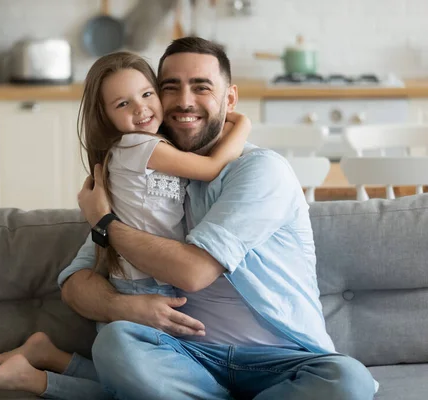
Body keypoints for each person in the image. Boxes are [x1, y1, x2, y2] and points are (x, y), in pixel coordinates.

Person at [58, 37, 378, 399]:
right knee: (115, 343)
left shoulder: (260, 170)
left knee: (349, 382)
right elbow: (74, 283)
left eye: (201, 87)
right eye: (170, 87)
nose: (184, 101)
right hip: (187, 357)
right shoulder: (144, 187)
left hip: (281, 362)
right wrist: (123, 305)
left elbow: (193, 272)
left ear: (229, 99)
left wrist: (105, 223)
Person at [0, 50, 251, 398]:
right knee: (144, 384)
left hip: (147, 281)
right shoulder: (139, 147)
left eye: (146, 95)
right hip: (141, 288)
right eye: (123, 104)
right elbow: (210, 168)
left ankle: (45, 358)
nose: (141, 109)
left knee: (145, 380)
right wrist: (241, 122)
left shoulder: (152, 147)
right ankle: (36, 378)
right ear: (106, 116)